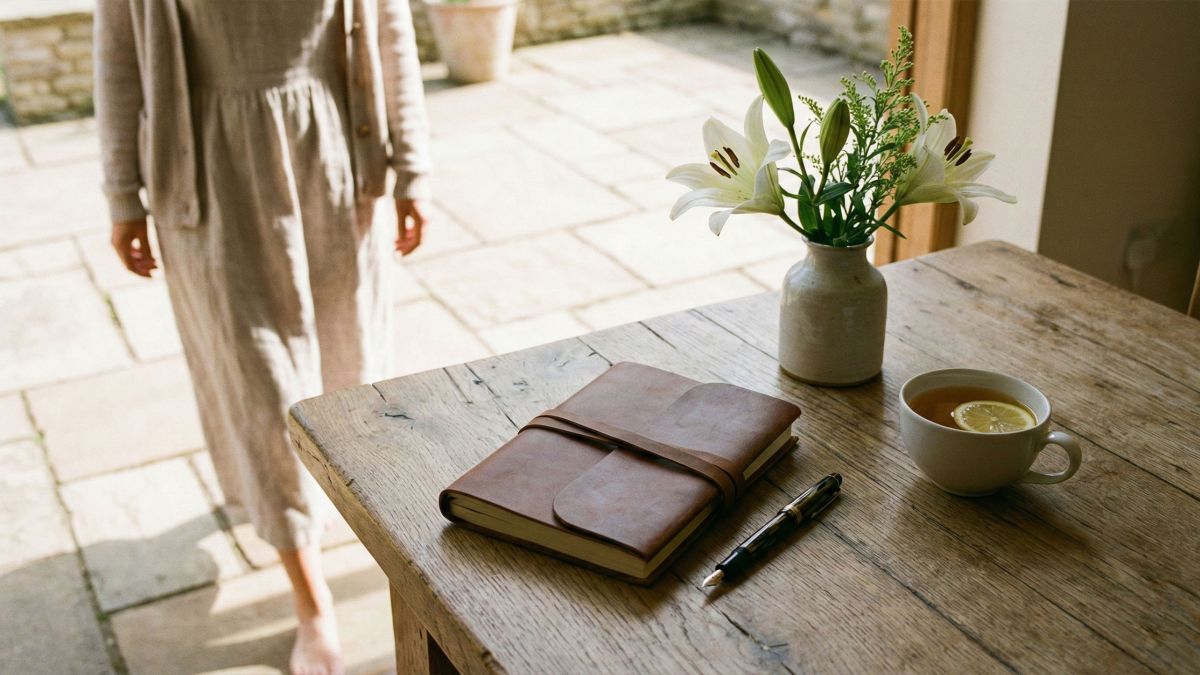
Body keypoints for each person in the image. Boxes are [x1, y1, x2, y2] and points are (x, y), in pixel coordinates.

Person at [94, 1, 431, 672]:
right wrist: (122, 195)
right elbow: (119, 57)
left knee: (352, 371)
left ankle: (360, 527)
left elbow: (390, 28)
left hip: (334, 154)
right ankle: (311, 600)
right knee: (260, 385)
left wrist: (412, 167)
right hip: (207, 172)